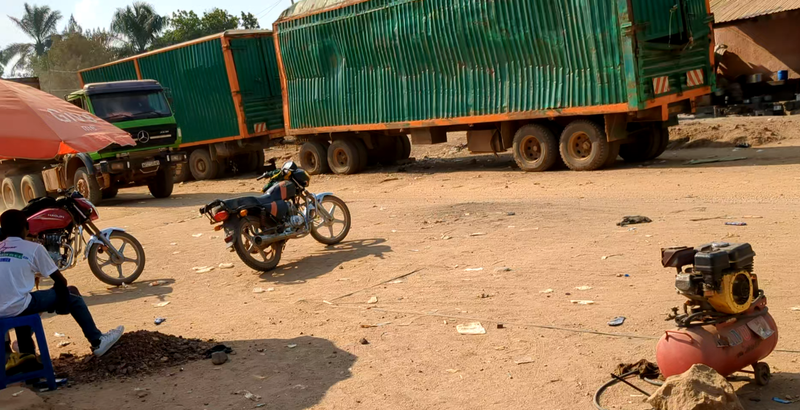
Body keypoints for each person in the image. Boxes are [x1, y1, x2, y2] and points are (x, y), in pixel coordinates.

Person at [1, 209, 123, 373]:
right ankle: (97, 340)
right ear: (27, 227)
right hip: (17, 306)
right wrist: (63, 305)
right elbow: (60, 281)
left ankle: (25, 355)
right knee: (71, 293)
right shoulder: (33, 248)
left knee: (25, 301)